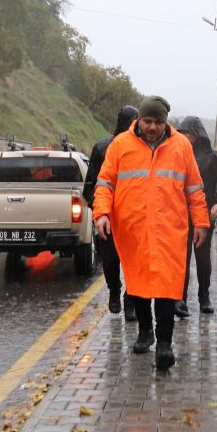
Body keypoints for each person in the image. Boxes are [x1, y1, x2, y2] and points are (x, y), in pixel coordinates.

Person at [93, 96, 210, 370]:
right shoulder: (120, 145)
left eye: (158, 122)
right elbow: (104, 183)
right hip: (132, 229)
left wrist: (201, 222)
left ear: (166, 121)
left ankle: (165, 345)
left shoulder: (181, 146)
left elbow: (194, 187)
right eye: (148, 121)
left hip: (171, 229)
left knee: (168, 286)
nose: (153, 127)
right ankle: (146, 332)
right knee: (139, 284)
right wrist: (101, 213)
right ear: (139, 120)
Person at [83, 105, 139, 316]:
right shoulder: (102, 148)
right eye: (134, 119)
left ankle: (131, 300)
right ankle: (114, 291)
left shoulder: (140, 149)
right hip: (108, 218)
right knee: (110, 261)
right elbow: (90, 186)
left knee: (134, 263)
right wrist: (100, 212)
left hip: (133, 217)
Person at [175, 116, 217, 316]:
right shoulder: (176, 154)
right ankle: (181, 299)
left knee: (203, 258)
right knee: (181, 259)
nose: (182, 137)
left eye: (185, 133)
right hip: (180, 215)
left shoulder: (212, 157)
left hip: (204, 214)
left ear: (195, 135)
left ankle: (204, 296)